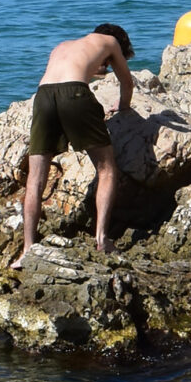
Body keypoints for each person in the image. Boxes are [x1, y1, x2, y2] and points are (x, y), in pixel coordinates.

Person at [16, 24, 134, 264]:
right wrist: (123, 107)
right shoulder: (111, 42)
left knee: (36, 178)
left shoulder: (63, 46)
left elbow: (80, 71)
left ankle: (27, 248)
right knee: (107, 169)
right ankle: (102, 238)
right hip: (75, 94)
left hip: (43, 97)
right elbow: (127, 82)